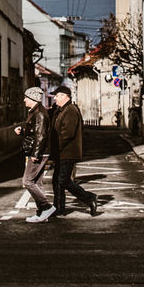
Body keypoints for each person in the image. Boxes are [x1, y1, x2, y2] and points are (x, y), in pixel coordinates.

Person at [50, 85, 97, 217]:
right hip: (61, 152)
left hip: (67, 152)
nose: (55, 98)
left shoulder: (70, 111)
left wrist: (56, 148)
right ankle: (58, 207)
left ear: (65, 96)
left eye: (57, 95)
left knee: (63, 180)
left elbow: (67, 134)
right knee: (57, 180)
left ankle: (89, 198)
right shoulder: (61, 110)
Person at [14, 86, 55, 222]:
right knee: (37, 182)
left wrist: (36, 153)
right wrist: (23, 131)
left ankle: (46, 207)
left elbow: (41, 135)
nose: (24, 100)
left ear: (33, 98)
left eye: (26, 97)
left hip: (39, 152)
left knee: (27, 181)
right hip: (40, 151)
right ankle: (42, 214)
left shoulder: (40, 113)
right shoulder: (35, 112)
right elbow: (34, 132)